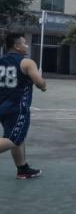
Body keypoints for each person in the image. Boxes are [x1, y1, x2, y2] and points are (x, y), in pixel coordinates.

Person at [0, 33, 47, 179]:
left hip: (2, 105)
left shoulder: (1, 61)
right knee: (13, 139)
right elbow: (39, 83)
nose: (27, 46)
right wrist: (43, 84)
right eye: (24, 43)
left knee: (18, 137)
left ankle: (22, 169)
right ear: (17, 46)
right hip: (17, 108)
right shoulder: (27, 62)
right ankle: (22, 169)